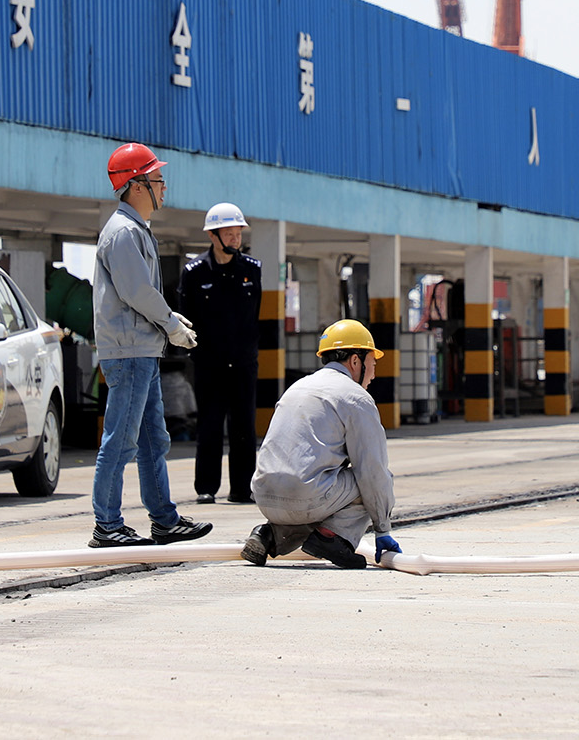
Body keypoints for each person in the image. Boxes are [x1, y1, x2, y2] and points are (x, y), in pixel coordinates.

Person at [88, 142, 212, 548]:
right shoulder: (124, 233)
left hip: (141, 349)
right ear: (137, 185)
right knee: (121, 440)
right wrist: (171, 323)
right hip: (130, 352)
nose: (164, 186)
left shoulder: (134, 229)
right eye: (158, 179)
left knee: (151, 439)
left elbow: (138, 290)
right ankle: (107, 525)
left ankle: (164, 520)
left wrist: (168, 321)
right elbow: (137, 291)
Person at [241, 320, 401, 570]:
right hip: (304, 498)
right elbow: (372, 470)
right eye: (373, 363)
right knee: (373, 482)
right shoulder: (355, 397)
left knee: (316, 489)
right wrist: (383, 529)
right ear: (355, 361)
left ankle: (269, 535)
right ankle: (332, 538)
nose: (373, 374)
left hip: (264, 497)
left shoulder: (297, 387)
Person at [176, 202, 262, 504]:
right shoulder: (194, 272)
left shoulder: (252, 270)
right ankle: (206, 487)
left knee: (244, 427)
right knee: (210, 425)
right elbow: (187, 319)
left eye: (238, 233)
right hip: (209, 365)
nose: (236, 240)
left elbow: (255, 316)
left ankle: (242, 488)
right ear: (213, 236)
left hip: (243, 363)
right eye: (229, 234)